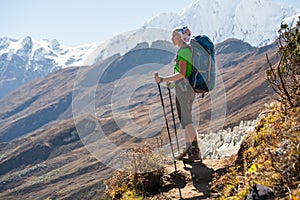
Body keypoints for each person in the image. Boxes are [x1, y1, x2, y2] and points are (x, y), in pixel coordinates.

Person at [154, 26, 201, 162]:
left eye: (174, 36)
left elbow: (182, 74)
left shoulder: (183, 52)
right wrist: (172, 83)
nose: (171, 38)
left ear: (180, 37)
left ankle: (195, 151)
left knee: (187, 121)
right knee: (186, 120)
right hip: (187, 89)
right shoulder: (187, 50)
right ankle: (189, 151)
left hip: (184, 90)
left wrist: (163, 80)